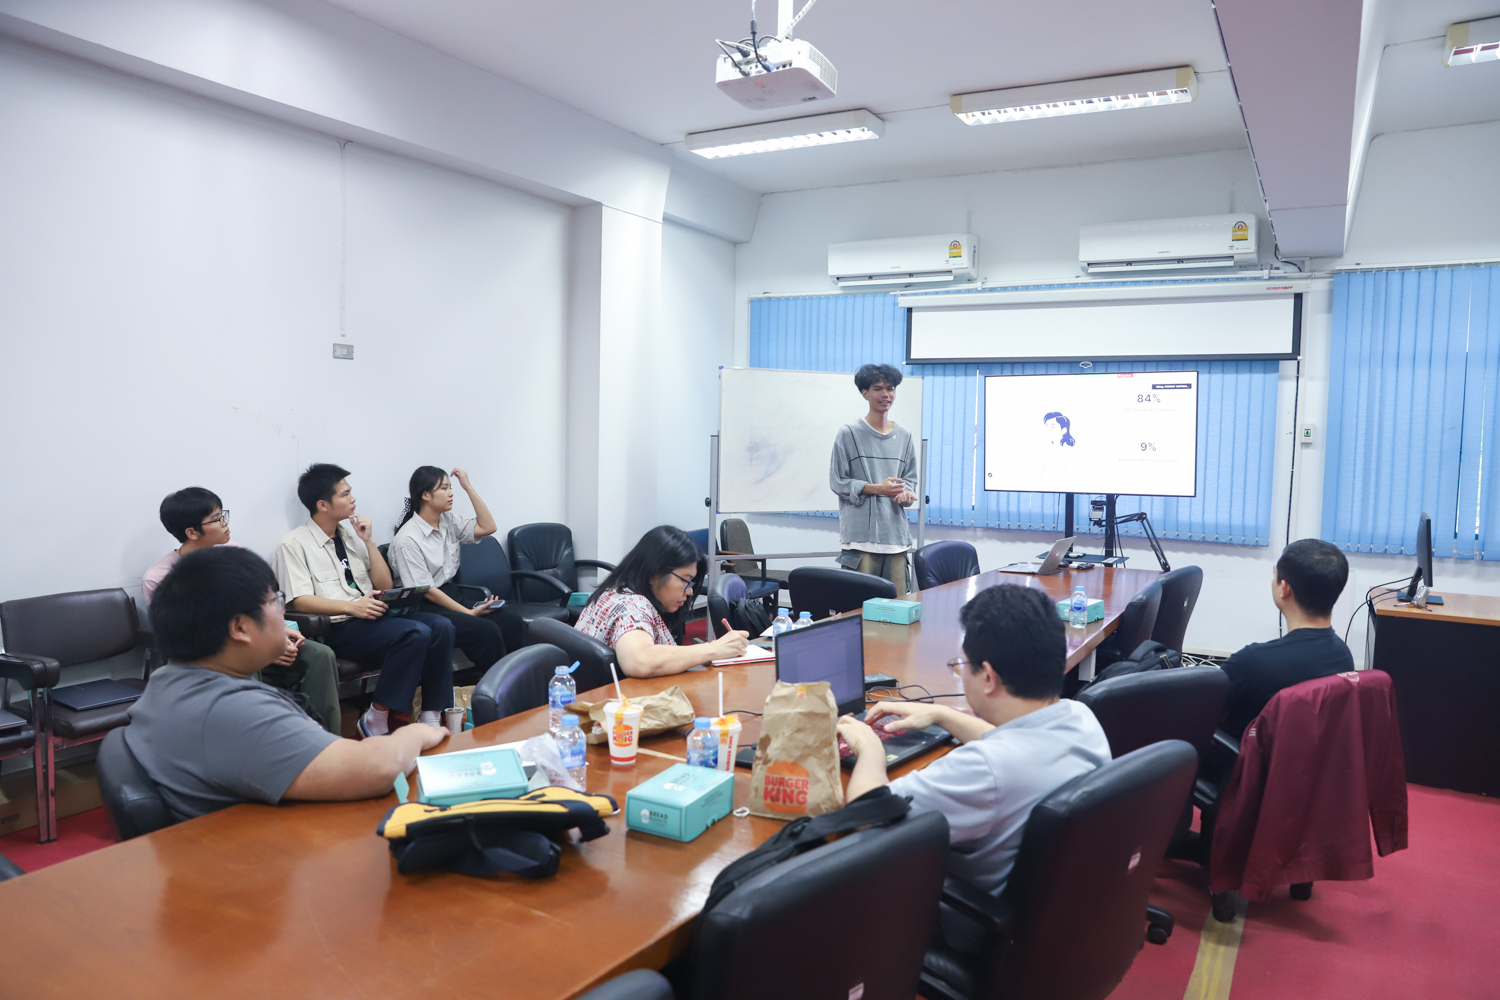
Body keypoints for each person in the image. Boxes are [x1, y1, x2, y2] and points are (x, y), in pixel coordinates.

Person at [837, 584, 1110, 949]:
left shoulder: (986, 770)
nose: (960, 672)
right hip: (1050, 927)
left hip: (962, 930)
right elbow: (1014, 744)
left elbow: (866, 814)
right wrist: (942, 715)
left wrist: (869, 748)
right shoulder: (1081, 717)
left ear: (988, 677)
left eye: (962, 665)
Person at [125, 546, 446, 821]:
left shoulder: (166, 682)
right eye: (276, 602)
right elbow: (378, 769)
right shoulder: (235, 710)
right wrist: (416, 733)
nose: (284, 614)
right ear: (240, 628)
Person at [272, 463, 455, 738]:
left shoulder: (351, 535)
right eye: (345, 494)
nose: (353, 499)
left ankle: (431, 713)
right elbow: (299, 601)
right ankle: (378, 716)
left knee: (442, 626)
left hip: (372, 617)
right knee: (414, 633)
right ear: (323, 505)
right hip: (338, 626)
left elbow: (384, 586)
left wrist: (369, 542)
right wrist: (353, 607)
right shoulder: (294, 544)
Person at [142, 487, 341, 736]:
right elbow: (185, 638)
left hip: (253, 639)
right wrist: (262, 649)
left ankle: (327, 740)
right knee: (244, 661)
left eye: (223, 515)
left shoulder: (235, 554)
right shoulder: (160, 578)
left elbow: (261, 602)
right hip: (211, 656)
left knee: (320, 655)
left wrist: (280, 633)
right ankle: (253, 743)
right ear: (191, 532)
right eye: (216, 519)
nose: (226, 524)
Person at [1219, 538, 1355, 738]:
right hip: (1305, 756)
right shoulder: (1343, 657)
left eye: (1274, 575)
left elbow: (1201, 708)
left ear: (1284, 588)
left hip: (1246, 756)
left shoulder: (1252, 663)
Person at [574, 525, 750, 677]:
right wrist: (715, 649)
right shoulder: (631, 606)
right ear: (654, 573)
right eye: (686, 580)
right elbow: (640, 660)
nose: (689, 591)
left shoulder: (614, 592)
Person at [388, 466, 509, 675]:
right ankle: (493, 687)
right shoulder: (407, 539)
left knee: (510, 621)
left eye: (451, 488)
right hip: (423, 605)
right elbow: (426, 590)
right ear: (425, 495)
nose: (451, 493)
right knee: (485, 630)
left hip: (450, 593)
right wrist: (468, 613)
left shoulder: (447, 521)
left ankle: (520, 681)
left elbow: (488, 527)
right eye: (444, 488)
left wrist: (467, 487)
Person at [830, 363, 918, 597]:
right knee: (858, 607)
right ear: (865, 393)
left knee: (897, 607)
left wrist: (905, 494)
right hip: (861, 540)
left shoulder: (905, 436)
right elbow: (838, 482)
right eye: (878, 388)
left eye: (890, 388)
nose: (885, 394)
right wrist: (877, 488)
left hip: (896, 539)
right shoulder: (849, 433)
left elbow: (910, 481)